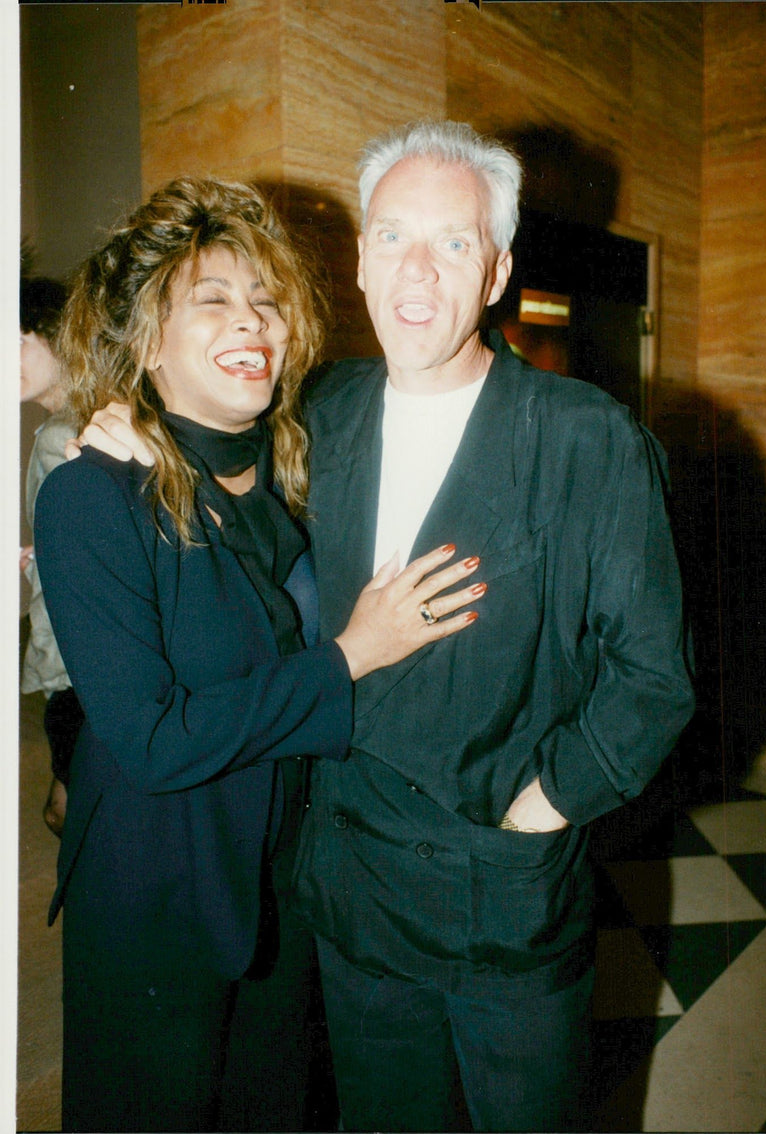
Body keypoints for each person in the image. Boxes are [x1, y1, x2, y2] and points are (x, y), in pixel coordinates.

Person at [73, 121, 695, 1133]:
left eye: (452, 244)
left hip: (501, 893)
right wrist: (114, 414)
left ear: (495, 271)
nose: (417, 271)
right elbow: (203, 432)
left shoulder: (586, 439)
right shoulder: (318, 411)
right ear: (358, 258)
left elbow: (650, 678)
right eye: (392, 236)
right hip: (351, 895)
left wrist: (544, 805)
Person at [34, 175, 484, 1134]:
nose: (253, 323)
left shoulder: (291, 469)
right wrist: (352, 657)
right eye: (213, 301)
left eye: (266, 302)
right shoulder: (94, 497)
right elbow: (154, 739)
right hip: (162, 883)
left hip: (286, 875)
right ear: (149, 341)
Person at [20, 276, 84, 836]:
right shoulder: (73, 421)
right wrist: (41, 553)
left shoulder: (59, 434)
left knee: (67, 813)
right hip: (82, 659)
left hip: (76, 664)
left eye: (17, 341)